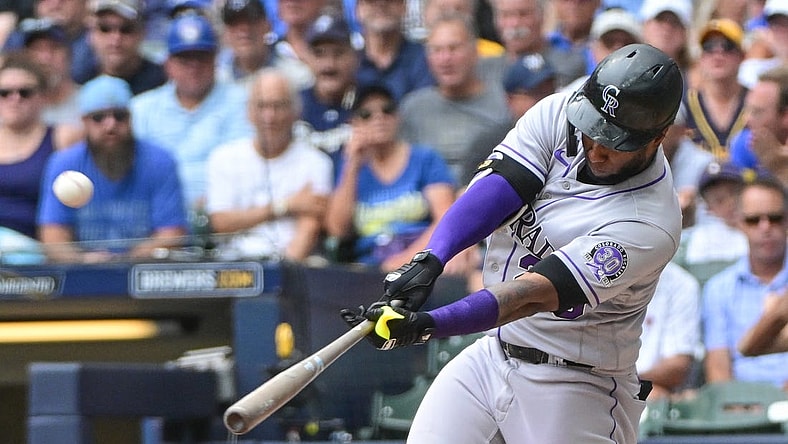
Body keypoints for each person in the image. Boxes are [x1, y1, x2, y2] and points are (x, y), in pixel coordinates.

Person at [340, 43, 684, 443]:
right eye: (593, 129)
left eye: (615, 139)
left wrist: (430, 325)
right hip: (493, 353)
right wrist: (430, 260)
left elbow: (533, 295)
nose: (596, 147)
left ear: (658, 136)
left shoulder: (650, 222)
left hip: (577, 381)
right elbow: (500, 188)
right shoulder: (561, 112)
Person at [37, 75, 188, 263]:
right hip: (81, 275)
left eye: (119, 116)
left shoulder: (159, 161)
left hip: (145, 269)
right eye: (98, 118)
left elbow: (172, 234)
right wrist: (83, 260)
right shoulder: (64, 164)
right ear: (84, 122)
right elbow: (53, 236)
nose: (110, 125)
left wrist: (124, 261)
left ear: (130, 118)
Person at [131, 14, 254, 217]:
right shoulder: (142, 108)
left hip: (224, 216)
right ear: (168, 63)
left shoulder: (241, 102)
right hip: (157, 217)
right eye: (185, 58)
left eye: (201, 57)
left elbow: (244, 168)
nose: (194, 67)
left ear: (215, 59)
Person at [205, 68, 332, 262]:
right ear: (249, 112)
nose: (269, 117)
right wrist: (285, 205)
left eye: (278, 106)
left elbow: (310, 225)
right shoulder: (223, 158)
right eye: (262, 106)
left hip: (294, 266)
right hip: (233, 267)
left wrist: (280, 273)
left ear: (295, 111)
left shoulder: (316, 162)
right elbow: (220, 222)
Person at [325, 84, 456, 270]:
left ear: (398, 117)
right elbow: (338, 230)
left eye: (387, 110)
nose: (379, 118)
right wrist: (351, 166)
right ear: (354, 123)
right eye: (366, 114)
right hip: (369, 268)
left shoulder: (424, 159)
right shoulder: (351, 169)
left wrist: (408, 259)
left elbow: (446, 219)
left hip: (422, 263)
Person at [398, 13, 509, 182]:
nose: (445, 59)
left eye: (454, 48)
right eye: (437, 50)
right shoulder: (412, 109)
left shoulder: (504, 101)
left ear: (475, 51)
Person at [702, 175, 788, 389]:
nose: (765, 227)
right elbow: (718, 368)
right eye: (754, 220)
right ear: (740, 223)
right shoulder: (718, 289)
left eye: (775, 218)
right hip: (744, 406)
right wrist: (735, 409)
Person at [0, 54, 81, 240]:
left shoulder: (64, 137)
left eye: (25, 92)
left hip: (37, 249)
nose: (15, 99)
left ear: (43, 96)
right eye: (4, 92)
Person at [673, 161, 750, 286]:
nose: (730, 203)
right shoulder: (690, 243)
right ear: (709, 208)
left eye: (734, 193)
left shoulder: (769, 228)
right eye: (719, 200)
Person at [298, 13, 357, 164]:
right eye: (319, 54)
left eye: (338, 53)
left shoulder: (370, 102)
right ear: (307, 59)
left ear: (354, 57)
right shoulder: (295, 106)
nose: (329, 65)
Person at [684, 19, 748, 159]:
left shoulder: (756, 102)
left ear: (742, 56)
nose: (718, 54)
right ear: (701, 58)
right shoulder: (683, 105)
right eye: (709, 47)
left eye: (728, 46)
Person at [637, 261, 702, 400]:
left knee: (654, 396)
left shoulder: (681, 284)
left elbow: (676, 367)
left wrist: (626, 384)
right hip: (596, 386)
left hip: (645, 388)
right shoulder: (595, 278)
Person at [354, 0, 435, 101]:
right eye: (371, 1)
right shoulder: (348, 63)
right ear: (357, 9)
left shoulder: (428, 59)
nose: (381, 4)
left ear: (404, 6)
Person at [85, 0, 167, 95]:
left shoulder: (162, 82)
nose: (115, 39)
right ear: (89, 34)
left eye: (126, 29)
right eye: (105, 29)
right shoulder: (79, 78)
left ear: (143, 32)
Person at [729, 65, 788, 186]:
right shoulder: (744, 144)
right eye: (747, 110)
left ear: (785, 116)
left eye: (757, 112)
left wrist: (779, 167)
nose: (745, 120)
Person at [17, 17, 81, 126]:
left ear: (69, 54)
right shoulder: (12, 105)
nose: (45, 58)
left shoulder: (89, 102)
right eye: (36, 49)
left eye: (54, 48)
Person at [215, 0, 277, 87]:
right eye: (234, 23)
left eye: (251, 21)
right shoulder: (216, 80)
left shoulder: (292, 73)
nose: (243, 30)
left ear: (267, 26)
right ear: (226, 33)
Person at [544, 0, 600, 89]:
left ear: (597, 3)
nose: (573, 6)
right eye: (566, 1)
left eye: (581, 1)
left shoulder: (607, 43)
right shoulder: (543, 44)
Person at [638, 0, 693, 76]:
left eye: (674, 22)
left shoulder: (697, 83)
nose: (667, 27)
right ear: (645, 25)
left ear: (684, 32)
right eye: (660, 19)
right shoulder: (626, 77)